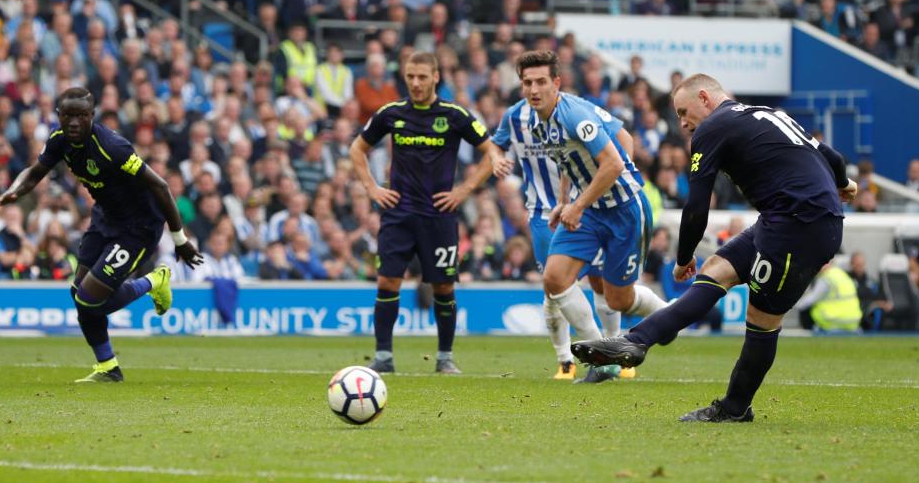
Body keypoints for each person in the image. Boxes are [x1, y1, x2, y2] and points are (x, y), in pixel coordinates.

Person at [572, 74, 857, 422]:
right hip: (788, 219)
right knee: (716, 271)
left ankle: (735, 408)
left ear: (704, 98)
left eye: (683, 111)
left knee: (762, 319)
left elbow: (696, 207)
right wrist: (844, 184)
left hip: (800, 225)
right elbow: (833, 158)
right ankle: (636, 340)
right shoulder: (768, 113)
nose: (682, 122)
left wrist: (683, 256)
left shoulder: (712, 128)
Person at [0, 87, 203, 383]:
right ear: (59, 116)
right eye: (68, 116)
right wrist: (14, 190)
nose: (75, 122)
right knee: (79, 293)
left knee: (89, 299)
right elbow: (35, 171)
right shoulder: (59, 140)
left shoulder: (112, 147)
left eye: (81, 116)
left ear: (92, 116)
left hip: (138, 227)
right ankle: (108, 367)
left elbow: (161, 187)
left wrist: (179, 240)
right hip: (104, 219)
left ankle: (155, 280)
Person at [477, 79, 662, 382]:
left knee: (617, 298)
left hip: (621, 208)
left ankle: (673, 315)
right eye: (527, 83)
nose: (534, 89)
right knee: (554, 280)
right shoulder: (530, 120)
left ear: (556, 83)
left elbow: (618, 153)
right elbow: (567, 160)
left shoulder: (577, 112)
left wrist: (579, 203)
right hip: (575, 209)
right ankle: (597, 360)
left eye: (540, 82)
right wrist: (564, 202)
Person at [349, 51, 506, 374]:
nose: (416, 83)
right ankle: (383, 356)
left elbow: (491, 152)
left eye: (422, 76)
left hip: (439, 216)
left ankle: (445, 357)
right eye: (410, 77)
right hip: (398, 214)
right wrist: (372, 188)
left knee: (444, 287)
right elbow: (357, 148)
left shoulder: (454, 114)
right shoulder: (390, 113)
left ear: (436, 77)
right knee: (388, 280)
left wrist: (463, 191)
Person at [795, 263, 863, 331]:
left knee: (805, 309)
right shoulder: (841, 273)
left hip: (832, 321)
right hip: (853, 322)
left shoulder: (826, 278)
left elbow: (811, 299)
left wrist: (793, 305)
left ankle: (811, 332)